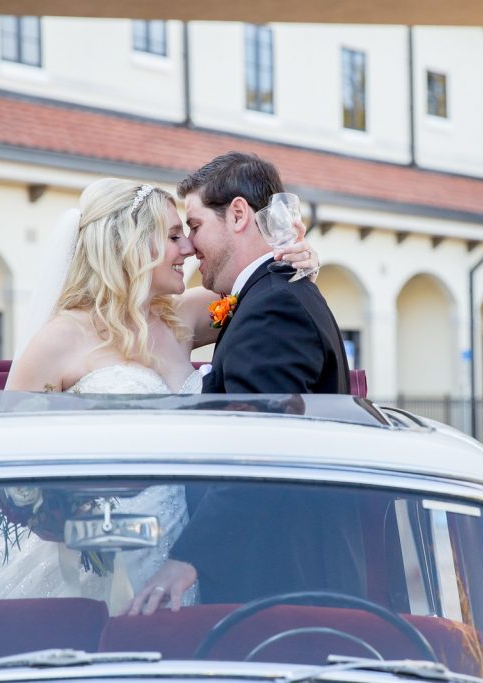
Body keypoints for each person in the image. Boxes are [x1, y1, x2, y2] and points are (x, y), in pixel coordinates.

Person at [0, 177, 319, 613]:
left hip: (182, 542)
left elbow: (265, 296)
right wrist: (73, 525)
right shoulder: (60, 339)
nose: (189, 250)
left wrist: (297, 261)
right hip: (98, 554)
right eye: (174, 236)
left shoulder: (186, 316)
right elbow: (6, 462)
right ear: (129, 244)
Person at [127, 152, 366, 616]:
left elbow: (260, 447)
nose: (190, 247)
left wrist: (187, 560)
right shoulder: (265, 297)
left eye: (193, 227)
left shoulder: (274, 307)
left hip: (277, 587)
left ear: (237, 215)